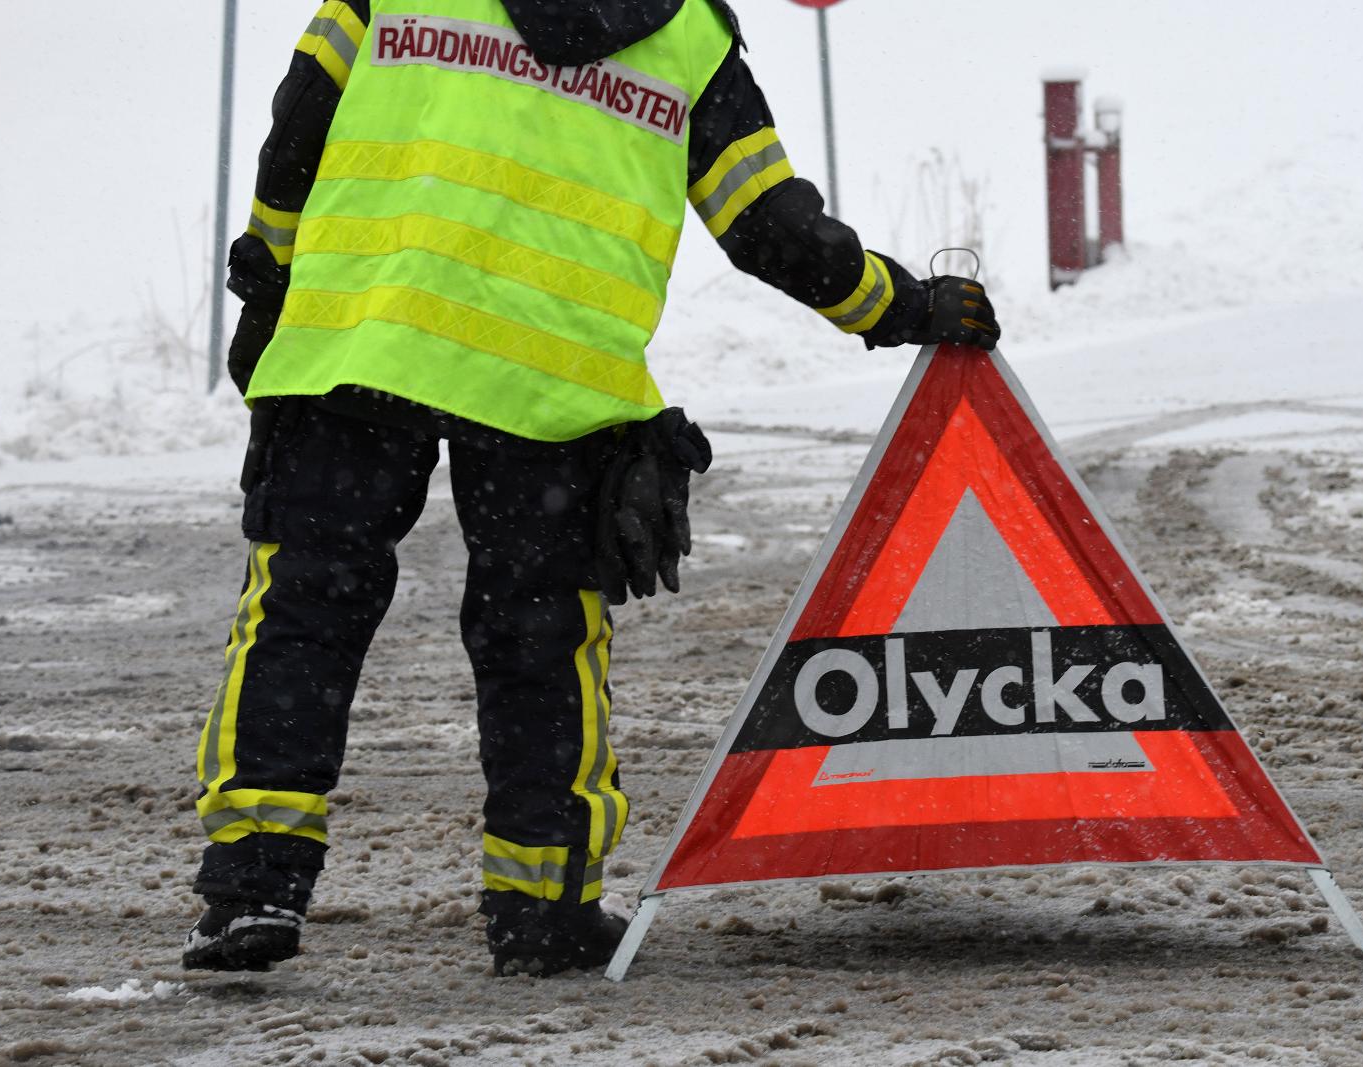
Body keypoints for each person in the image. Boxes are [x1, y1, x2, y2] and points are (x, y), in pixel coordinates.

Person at [184, 0, 1000, 978]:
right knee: (539, 637)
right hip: (553, 380)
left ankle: (253, 885)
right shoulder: (687, 33)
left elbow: (297, 137)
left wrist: (270, 288)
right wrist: (899, 303)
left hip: (359, 336)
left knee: (303, 613)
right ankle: (542, 907)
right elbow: (768, 224)